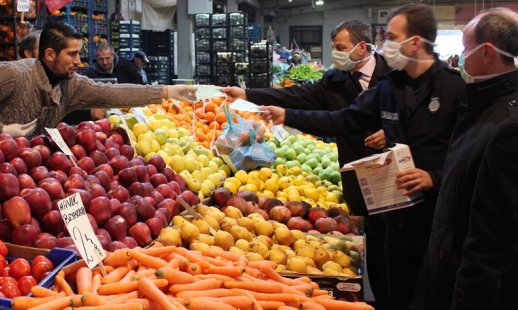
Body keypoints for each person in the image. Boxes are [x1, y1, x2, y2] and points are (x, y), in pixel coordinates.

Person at [260, 4, 466, 309]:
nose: (384, 45)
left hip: (436, 216)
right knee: (393, 284)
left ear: (415, 42)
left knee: (431, 292)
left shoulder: (454, 87)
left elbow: (467, 150)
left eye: (392, 37)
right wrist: (287, 114)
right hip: (393, 208)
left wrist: (434, 175)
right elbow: (344, 119)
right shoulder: (391, 87)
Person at [222, 20, 391, 307]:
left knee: (395, 245)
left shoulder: (393, 75)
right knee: (370, 243)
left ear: (362, 47)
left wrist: (392, 132)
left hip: (391, 174)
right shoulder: (336, 80)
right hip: (354, 171)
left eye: (341, 48)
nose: (336, 54)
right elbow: (297, 95)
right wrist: (250, 95)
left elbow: (416, 118)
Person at [412, 8, 518, 310]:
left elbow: (491, 243)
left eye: (464, 48)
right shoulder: (481, 104)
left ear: (486, 52)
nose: (460, 56)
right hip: (444, 270)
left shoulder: (507, 127)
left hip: (462, 286)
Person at [0, 22, 195, 152]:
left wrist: (166, 92)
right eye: (73, 54)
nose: (79, 61)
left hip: (20, 174)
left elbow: (112, 93)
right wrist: (1, 129)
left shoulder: (71, 85)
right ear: (49, 54)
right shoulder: (13, 74)